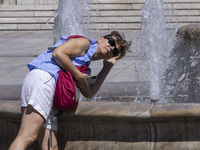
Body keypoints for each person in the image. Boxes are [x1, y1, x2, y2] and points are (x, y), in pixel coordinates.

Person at [9, 31, 132, 150]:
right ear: (100, 38)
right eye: (111, 42)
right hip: (45, 80)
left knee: (51, 146)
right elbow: (58, 53)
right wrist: (77, 75)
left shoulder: (84, 66)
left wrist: (107, 67)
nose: (111, 48)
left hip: (51, 92)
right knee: (28, 136)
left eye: (115, 50)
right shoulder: (84, 43)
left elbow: (89, 93)